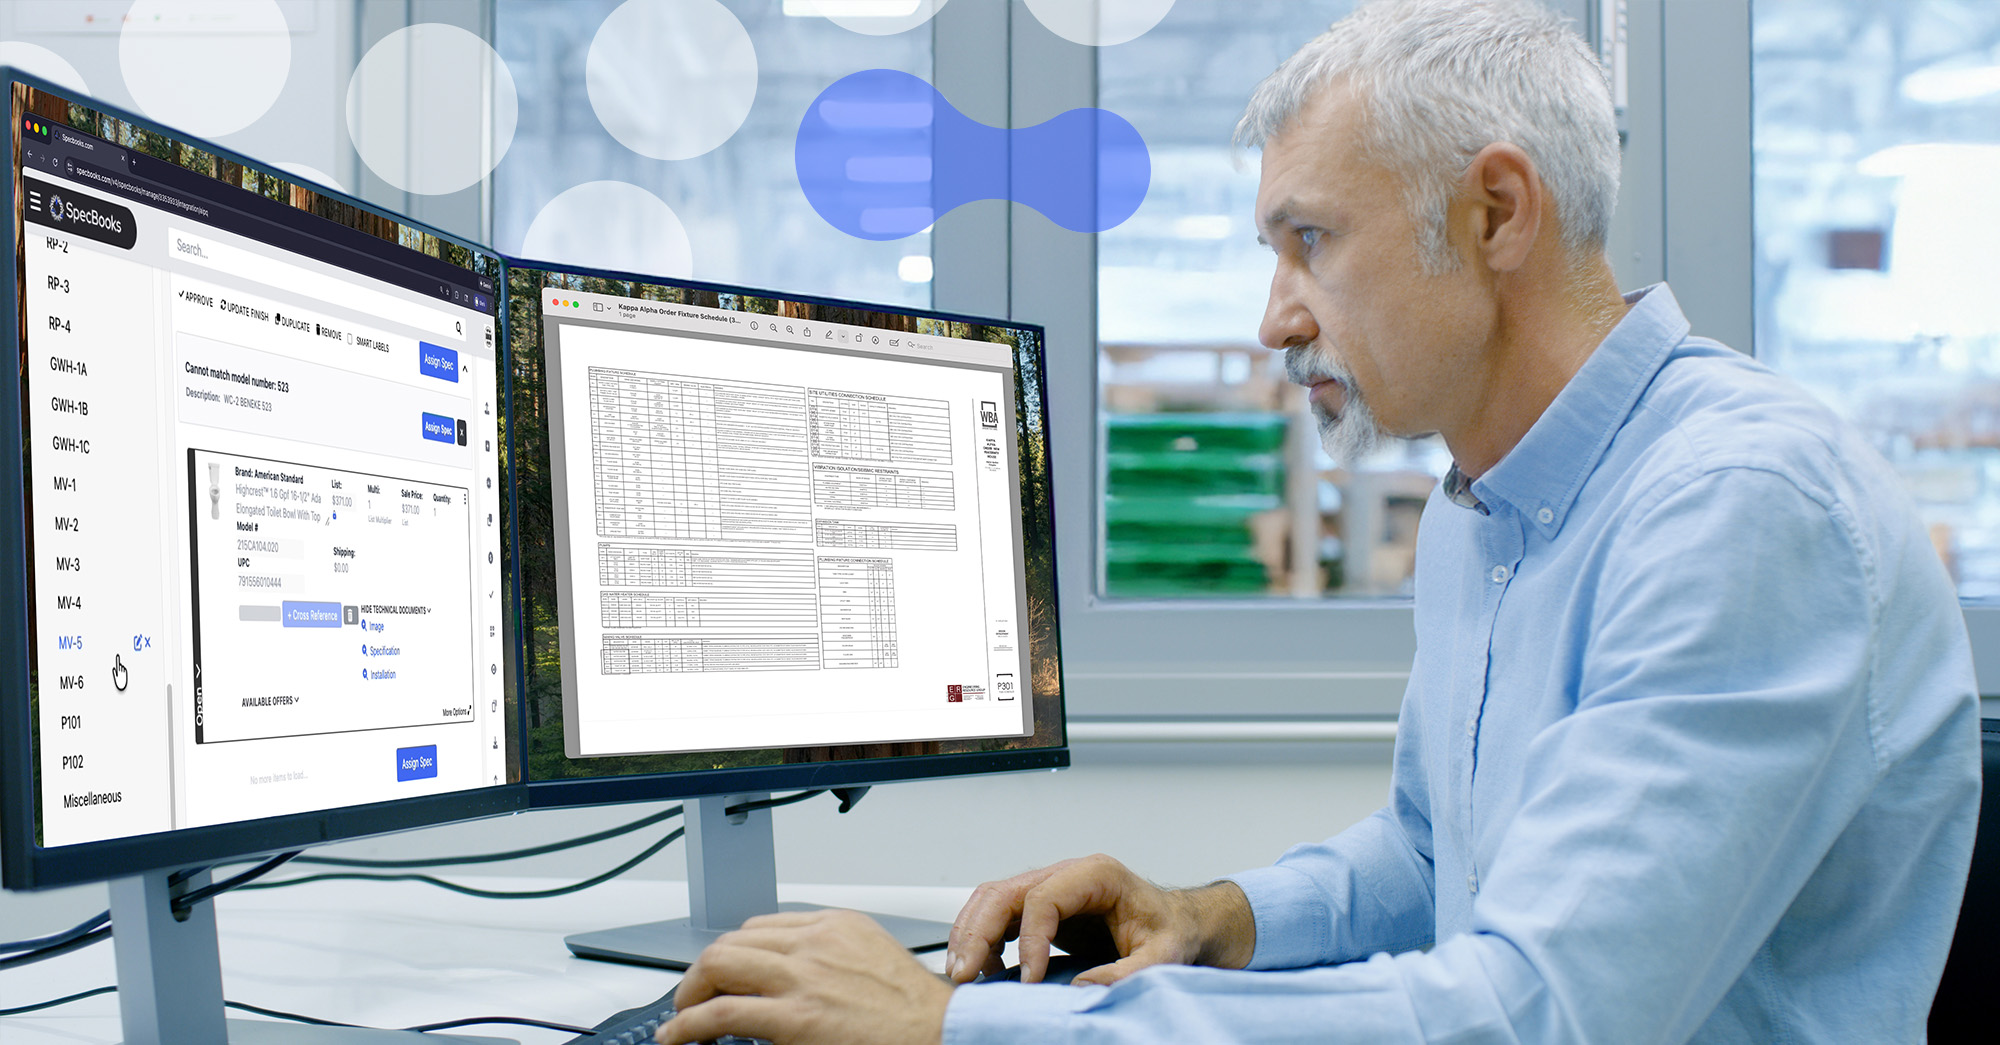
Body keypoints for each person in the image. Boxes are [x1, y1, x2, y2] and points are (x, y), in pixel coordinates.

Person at [658, 1, 1982, 1041]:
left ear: (1495, 212)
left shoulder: (1739, 510)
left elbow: (1535, 1013)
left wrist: (951, 1021)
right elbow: (1430, 851)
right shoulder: (1488, 502)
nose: (1276, 317)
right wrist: (1205, 914)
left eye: (1311, 241)